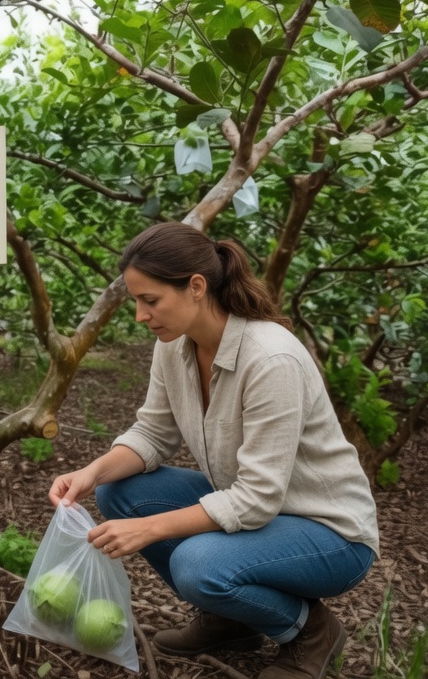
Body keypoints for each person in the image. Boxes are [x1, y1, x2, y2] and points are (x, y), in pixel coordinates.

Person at [49, 222, 378, 679]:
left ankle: (311, 631)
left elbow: (256, 498)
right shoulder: (174, 346)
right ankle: (232, 620)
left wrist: (148, 529)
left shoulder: (270, 360)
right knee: (118, 491)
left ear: (197, 287)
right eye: (136, 302)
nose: (141, 316)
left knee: (196, 565)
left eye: (150, 300)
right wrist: (93, 472)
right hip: (263, 514)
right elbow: (153, 433)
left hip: (330, 534)